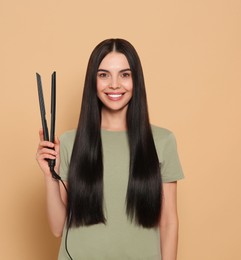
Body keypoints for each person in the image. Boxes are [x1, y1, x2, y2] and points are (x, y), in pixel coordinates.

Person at [36, 38, 184, 260]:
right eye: (104, 75)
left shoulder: (162, 141)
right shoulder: (69, 142)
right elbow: (58, 228)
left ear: (136, 79)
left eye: (125, 74)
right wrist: (50, 177)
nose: (114, 84)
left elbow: (169, 221)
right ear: (92, 81)